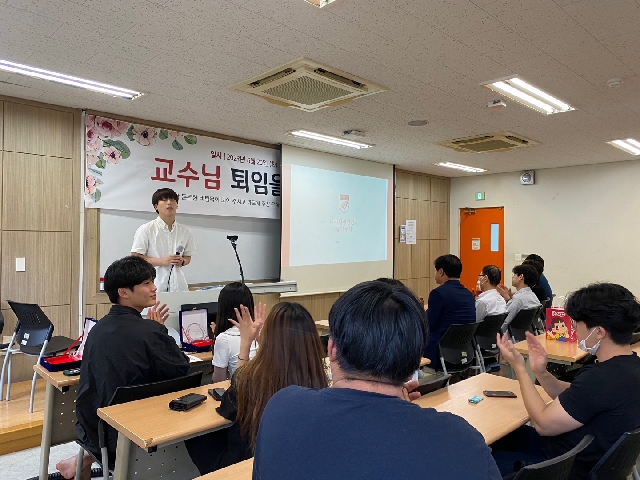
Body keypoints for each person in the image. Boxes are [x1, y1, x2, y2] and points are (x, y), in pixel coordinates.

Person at [252, 280, 501, 480]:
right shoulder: (462, 443)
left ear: (332, 349)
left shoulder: (282, 408)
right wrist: (401, 411)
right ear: (415, 363)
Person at [57, 256, 189, 479]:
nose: (154, 288)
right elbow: (182, 369)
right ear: (123, 292)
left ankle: (83, 460)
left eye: (152, 281)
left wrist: (154, 331)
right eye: (146, 283)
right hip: (136, 435)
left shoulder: (97, 330)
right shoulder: (149, 331)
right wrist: (159, 332)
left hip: (96, 431)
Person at [492, 283, 640, 479]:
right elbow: (575, 396)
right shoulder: (630, 366)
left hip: (559, 468)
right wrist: (541, 372)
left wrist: (520, 368)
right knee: (506, 436)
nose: (574, 329)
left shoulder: (600, 378)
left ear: (599, 332)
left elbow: (543, 424)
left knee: (481, 453)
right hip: (578, 456)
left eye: (577, 323)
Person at [187, 302, 328, 474]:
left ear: (269, 337)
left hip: (247, 464)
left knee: (194, 437)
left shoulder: (252, 377)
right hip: (289, 462)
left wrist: (245, 344)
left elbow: (228, 407)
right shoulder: (317, 376)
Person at [131, 188, 195, 292]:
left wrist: (182, 261)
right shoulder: (146, 229)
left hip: (179, 285)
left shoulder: (185, 231)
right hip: (154, 285)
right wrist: (163, 261)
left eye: (172, 200)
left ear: (177, 205)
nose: (169, 202)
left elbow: (188, 257)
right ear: (156, 206)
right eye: (164, 200)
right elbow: (136, 257)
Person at [424, 254, 476, 365]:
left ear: (441, 272)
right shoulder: (469, 294)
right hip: (465, 351)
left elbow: (430, 324)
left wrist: (425, 312)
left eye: (436, 271)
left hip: (440, 351)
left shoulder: (437, 293)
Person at [211, 282, 258, 383]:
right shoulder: (260, 330)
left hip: (240, 389)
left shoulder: (224, 339)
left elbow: (219, 380)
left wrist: (217, 338)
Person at [498, 264, 541, 331]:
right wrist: (508, 298)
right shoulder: (533, 296)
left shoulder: (518, 299)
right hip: (523, 333)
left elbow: (505, 321)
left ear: (521, 277)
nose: (512, 277)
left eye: (514, 275)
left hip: (508, 334)